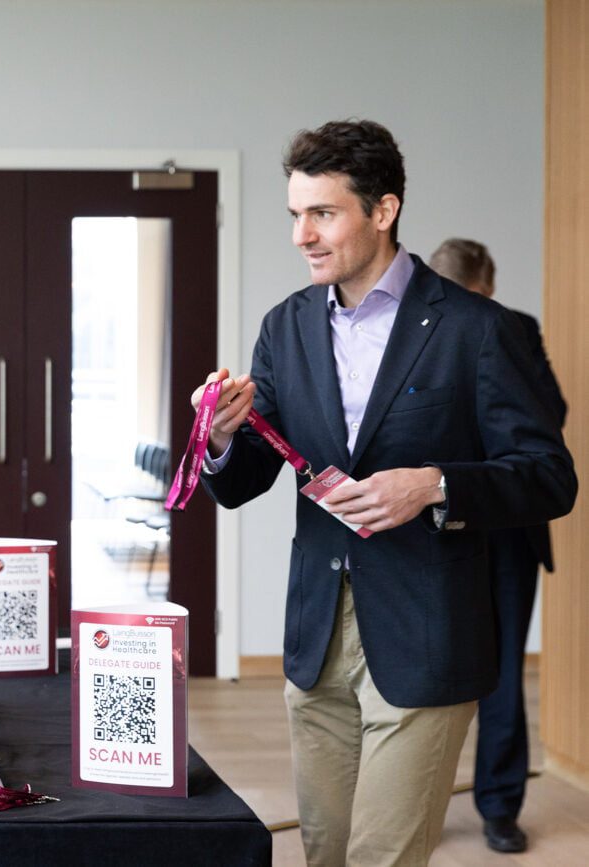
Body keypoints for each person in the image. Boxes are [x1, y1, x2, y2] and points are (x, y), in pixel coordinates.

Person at [192, 120, 576, 865]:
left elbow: (549, 474)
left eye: (323, 213)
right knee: (326, 850)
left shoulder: (477, 330)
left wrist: (434, 484)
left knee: (380, 855)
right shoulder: (286, 327)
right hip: (316, 641)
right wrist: (219, 438)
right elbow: (242, 484)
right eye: (295, 214)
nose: (302, 234)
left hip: (427, 633)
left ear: (383, 210)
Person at [428, 238, 566, 853]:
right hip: (433, 526)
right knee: (429, 673)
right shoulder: (412, 334)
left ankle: (499, 806)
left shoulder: (515, 329)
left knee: (503, 673)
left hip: (507, 527)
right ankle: (430, 807)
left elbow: (550, 414)